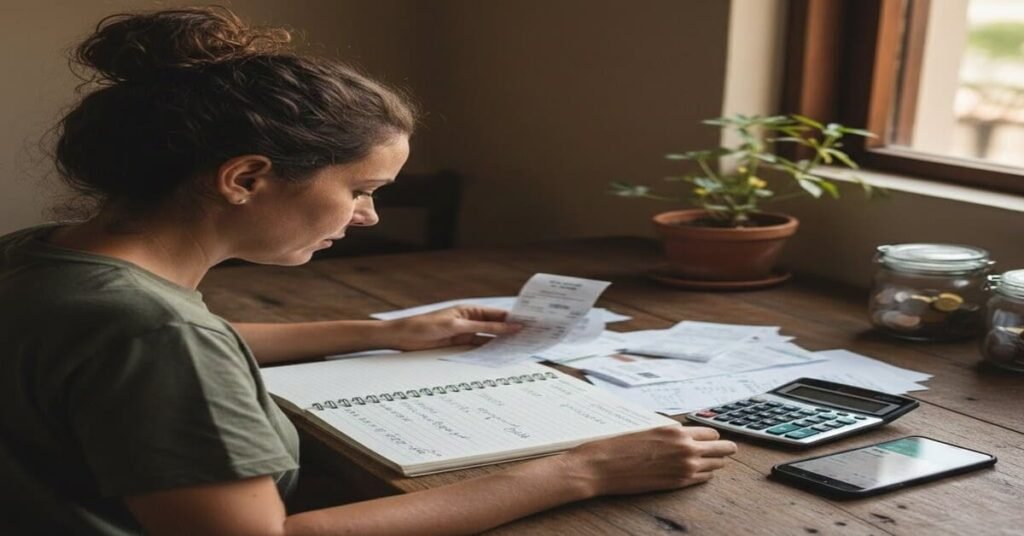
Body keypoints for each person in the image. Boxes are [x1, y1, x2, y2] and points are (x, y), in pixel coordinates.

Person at [0, 6, 737, 535]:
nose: (368, 218)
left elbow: (135, 357)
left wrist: (382, 330)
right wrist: (579, 474)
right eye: (360, 191)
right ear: (246, 178)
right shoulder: (154, 333)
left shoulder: (43, 255)